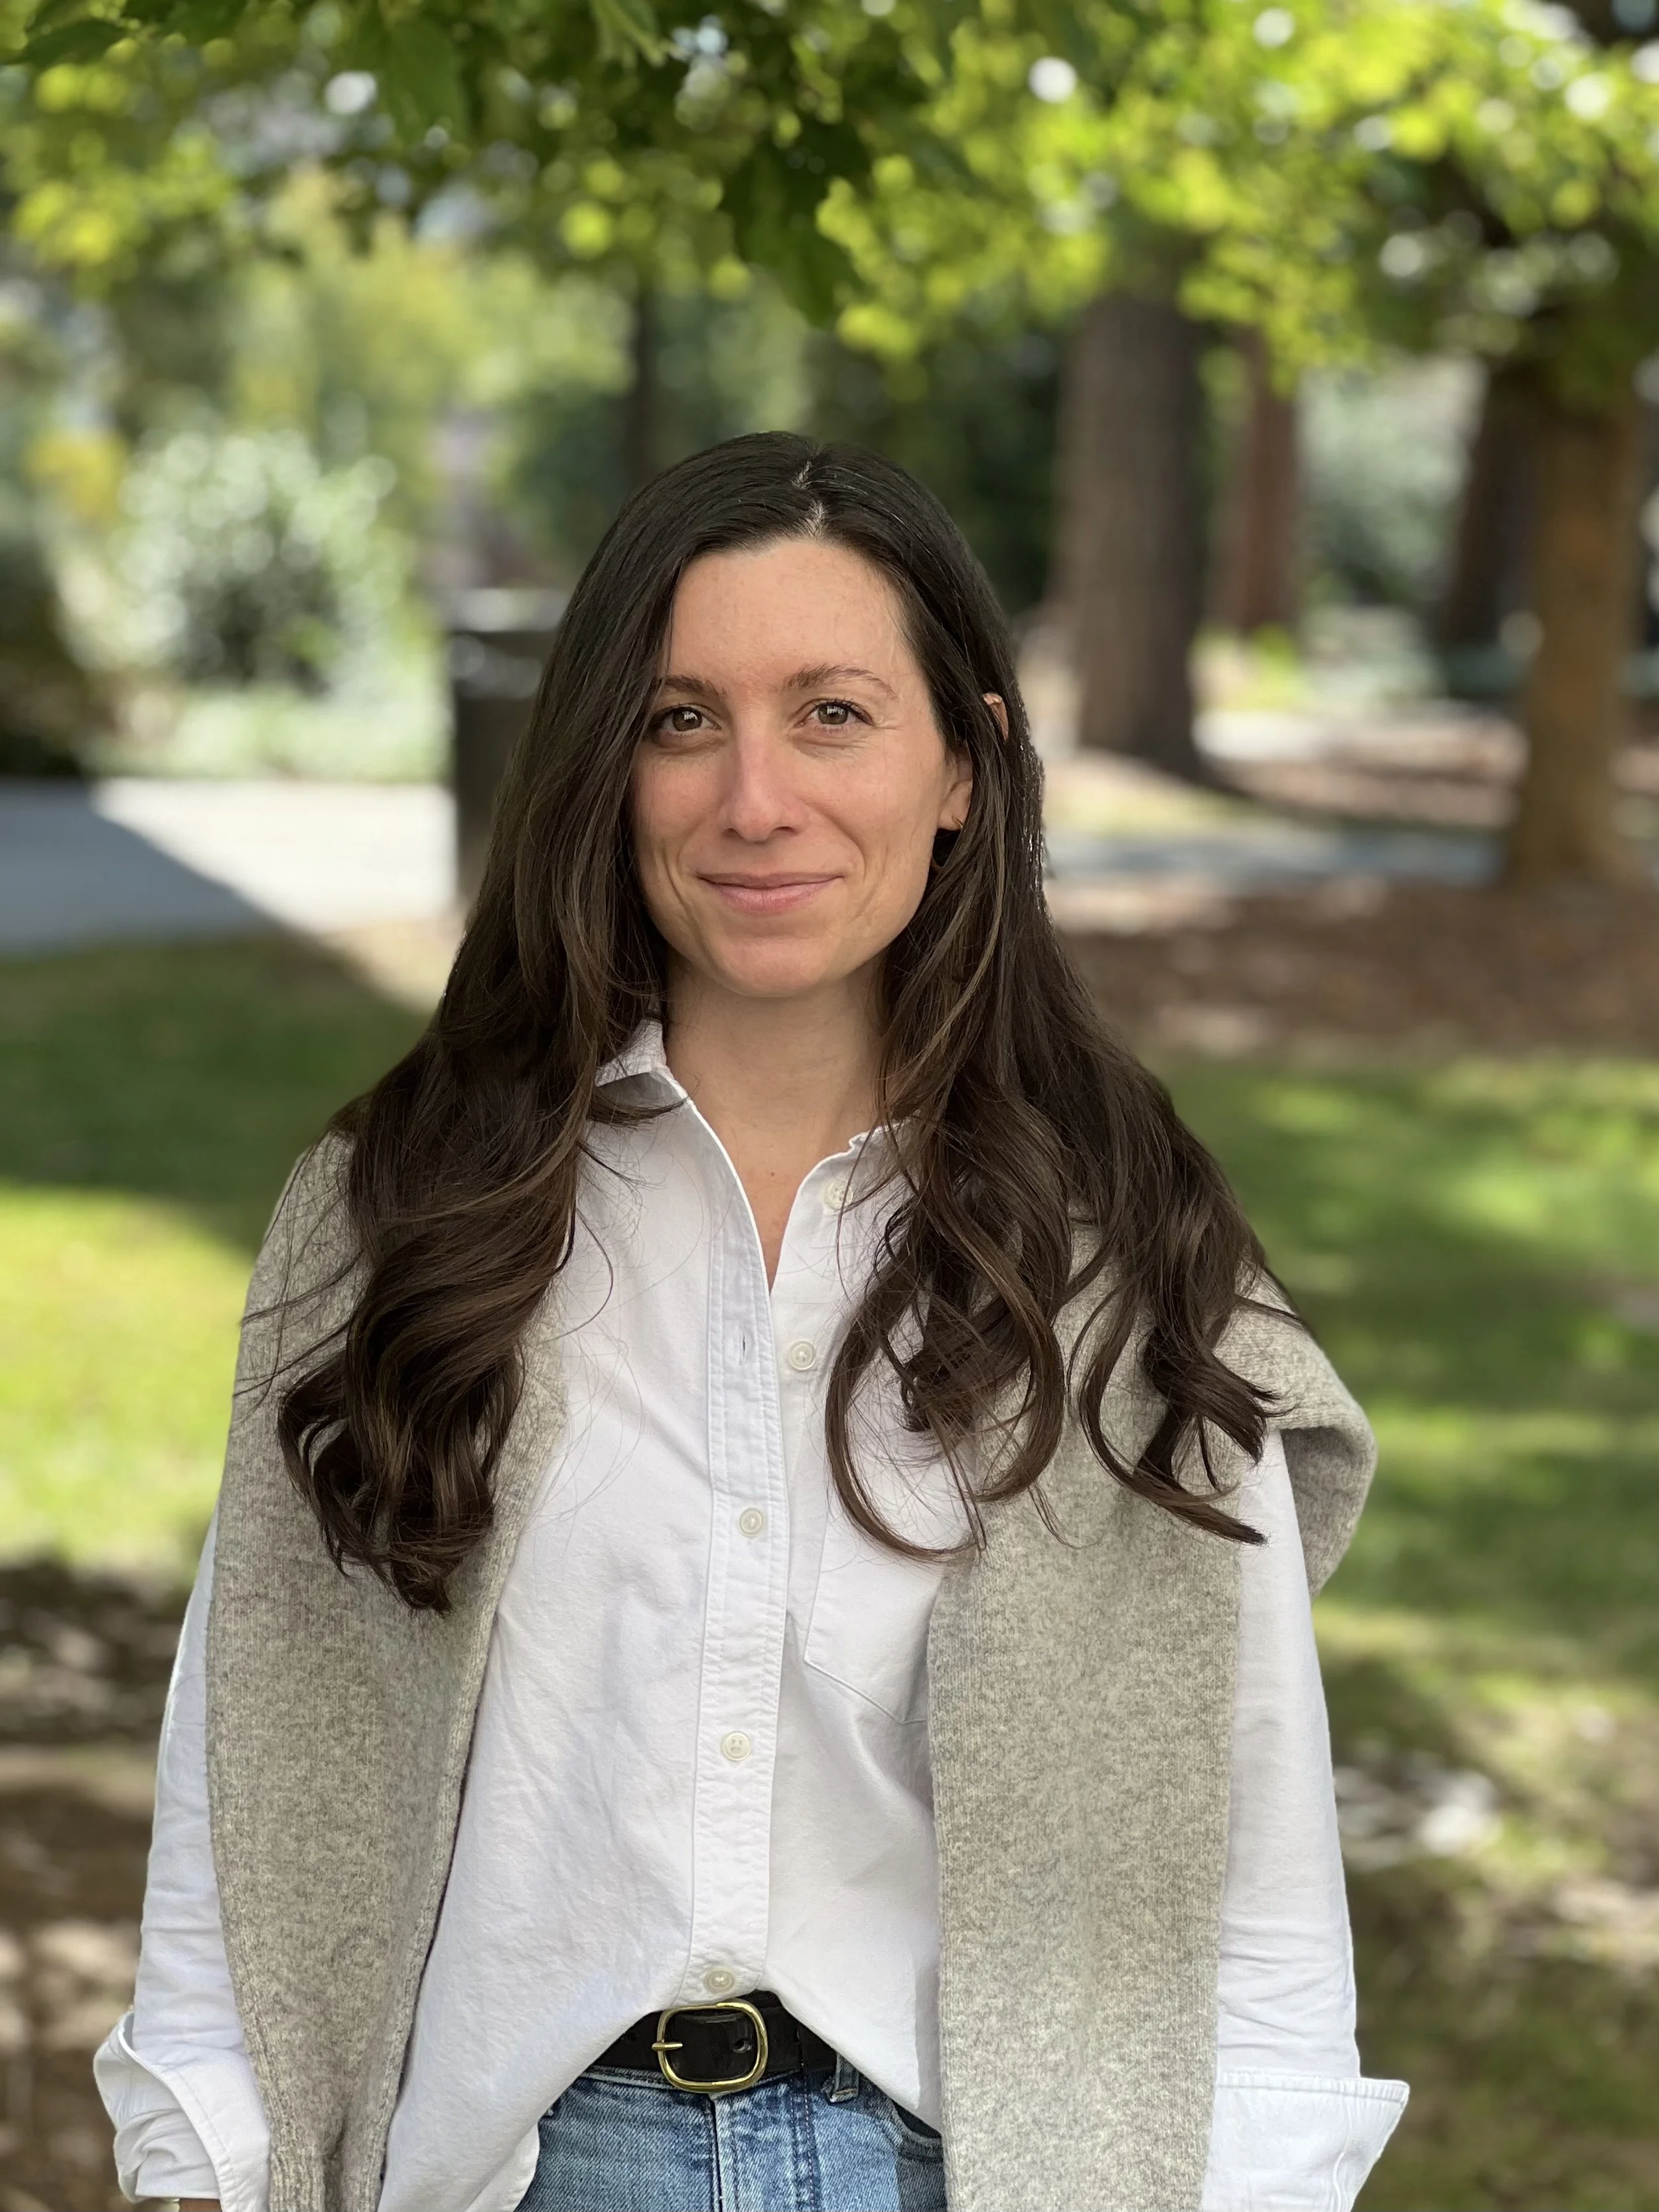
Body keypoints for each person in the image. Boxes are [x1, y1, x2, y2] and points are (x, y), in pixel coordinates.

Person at [95, 432, 1406, 2212]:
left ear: (965, 765)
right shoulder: (407, 1213)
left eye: (833, 714)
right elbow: (253, 1759)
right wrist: (200, 2168)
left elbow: (1245, 1859)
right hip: (520, 2164)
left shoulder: (1125, 1244)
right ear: (603, 768)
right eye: (681, 720)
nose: (754, 799)